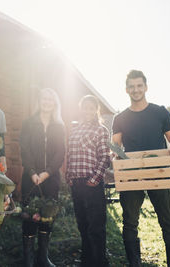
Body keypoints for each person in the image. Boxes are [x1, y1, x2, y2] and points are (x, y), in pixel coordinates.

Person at [112, 70, 170, 267]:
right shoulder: (120, 118)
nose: (136, 90)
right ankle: (135, 263)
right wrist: (115, 155)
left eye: (139, 85)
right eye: (132, 86)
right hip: (131, 176)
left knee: (168, 222)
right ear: (126, 89)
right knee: (130, 224)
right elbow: (116, 147)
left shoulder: (160, 112)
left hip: (160, 173)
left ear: (146, 87)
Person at [19, 88, 66, 267]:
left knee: (48, 215)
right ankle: (28, 260)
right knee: (30, 215)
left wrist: (46, 173)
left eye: (50, 99)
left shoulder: (59, 126)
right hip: (30, 177)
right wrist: (32, 172)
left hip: (51, 178)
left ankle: (42, 257)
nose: (47, 102)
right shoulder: (29, 123)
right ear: (39, 101)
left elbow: (60, 153)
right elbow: (25, 149)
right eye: (44, 99)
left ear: (55, 103)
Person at [66, 95, 111, 267]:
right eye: (85, 107)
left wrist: (94, 179)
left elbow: (104, 158)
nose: (88, 111)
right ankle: (86, 260)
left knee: (96, 226)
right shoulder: (75, 130)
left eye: (91, 108)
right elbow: (70, 154)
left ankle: (99, 261)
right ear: (81, 108)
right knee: (82, 224)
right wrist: (69, 176)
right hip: (76, 183)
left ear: (96, 110)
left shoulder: (101, 130)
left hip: (92, 184)